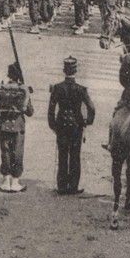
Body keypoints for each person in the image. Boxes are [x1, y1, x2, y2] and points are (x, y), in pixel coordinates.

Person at [47, 56, 95, 194]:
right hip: (76, 125)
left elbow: (51, 110)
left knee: (62, 155)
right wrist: (87, 122)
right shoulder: (81, 89)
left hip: (61, 124)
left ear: (64, 70)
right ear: (76, 71)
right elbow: (91, 108)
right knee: (75, 155)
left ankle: (61, 187)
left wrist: (53, 126)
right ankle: (73, 187)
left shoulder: (57, 88)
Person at [0, 62, 33, 192]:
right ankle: (15, 181)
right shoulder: (22, 89)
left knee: (5, 151)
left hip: (3, 125)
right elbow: (30, 112)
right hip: (18, 125)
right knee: (17, 152)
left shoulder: (1, 89)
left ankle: (6, 180)